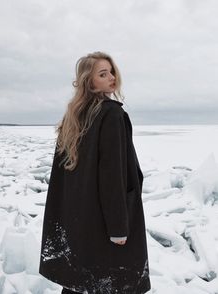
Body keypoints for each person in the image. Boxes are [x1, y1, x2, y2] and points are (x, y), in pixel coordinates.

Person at [39, 52, 151, 294]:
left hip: (80, 219)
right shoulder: (111, 114)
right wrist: (118, 227)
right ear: (90, 82)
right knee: (111, 284)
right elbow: (113, 175)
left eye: (111, 71)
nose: (112, 77)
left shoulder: (74, 117)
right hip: (104, 221)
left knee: (80, 282)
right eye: (103, 74)